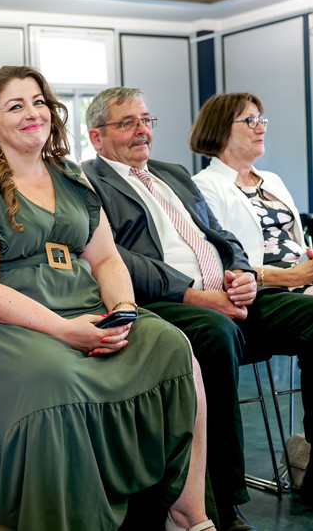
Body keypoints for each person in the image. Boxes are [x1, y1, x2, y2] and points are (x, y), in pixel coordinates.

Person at [0, 65, 212, 531]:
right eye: (15, 106)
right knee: (53, 376)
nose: (33, 113)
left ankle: (187, 511)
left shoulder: (71, 176)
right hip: (7, 322)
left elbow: (105, 260)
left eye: (38, 102)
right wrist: (63, 330)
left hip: (86, 307)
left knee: (171, 347)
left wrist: (122, 309)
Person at [82, 86, 313, 528]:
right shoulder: (90, 181)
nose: (141, 131)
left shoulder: (173, 173)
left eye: (146, 120)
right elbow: (115, 258)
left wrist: (242, 272)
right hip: (168, 303)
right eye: (127, 122)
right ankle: (225, 504)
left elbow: (222, 236)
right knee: (215, 332)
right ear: (96, 136)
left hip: (232, 296)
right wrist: (194, 293)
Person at [191, 92, 313, 294]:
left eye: (261, 120)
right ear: (219, 128)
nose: (262, 129)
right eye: (250, 121)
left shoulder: (272, 180)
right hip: (263, 291)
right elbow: (217, 264)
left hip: (302, 279)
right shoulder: (203, 186)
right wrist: (292, 277)